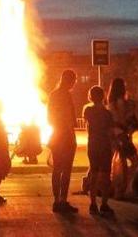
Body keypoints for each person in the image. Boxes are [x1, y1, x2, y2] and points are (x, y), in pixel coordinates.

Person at [48, 69, 78, 214]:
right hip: (66, 138)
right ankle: (63, 200)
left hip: (55, 136)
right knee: (66, 170)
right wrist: (70, 134)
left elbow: (49, 118)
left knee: (57, 169)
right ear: (70, 81)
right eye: (74, 81)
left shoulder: (53, 95)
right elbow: (71, 120)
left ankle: (56, 201)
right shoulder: (66, 96)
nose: (74, 84)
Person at [83, 86, 114, 216]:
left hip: (93, 145)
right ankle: (105, 203)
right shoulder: (107, 114)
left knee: (94, 174)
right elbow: (110, 131)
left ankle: (93, 203)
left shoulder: (88, 111)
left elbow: (88, 125)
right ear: (103, 97)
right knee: (106, 175)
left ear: (91, 96)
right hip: (105, 145)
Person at [108, 78, 138, 200]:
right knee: (135, 161)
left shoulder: (110, 103)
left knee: (119, 164)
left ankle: (118, 190)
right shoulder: (122, 103)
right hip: (122, 136)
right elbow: (123, 119)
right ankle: (125, 187)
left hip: (115, 136)